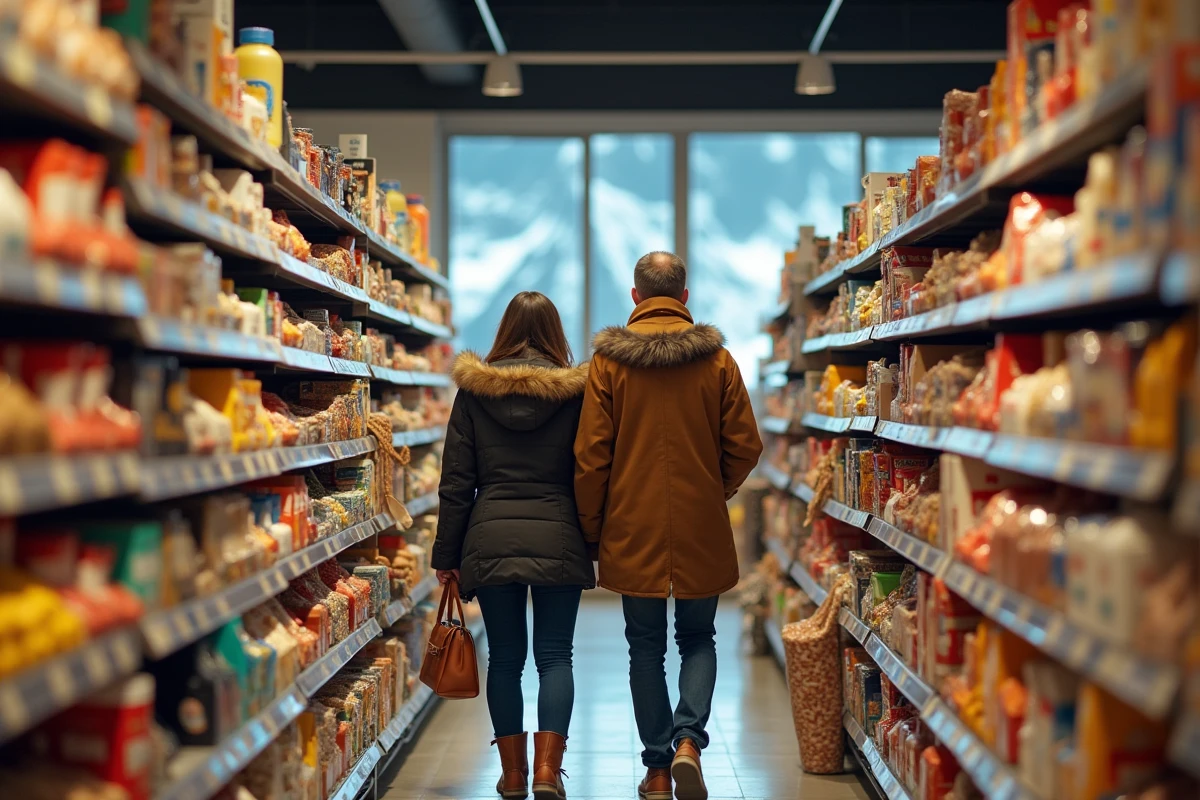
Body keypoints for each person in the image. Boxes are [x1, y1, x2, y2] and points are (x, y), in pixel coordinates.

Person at [574, 251, 763, 800]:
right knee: (699, 637)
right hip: (701, 519)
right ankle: (688, 742)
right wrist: (713, 489)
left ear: (635, 297)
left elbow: (591, 457)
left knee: (644, 646)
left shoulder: (608, 365)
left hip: (630, 524)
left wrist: (592, 527)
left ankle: (657, 768)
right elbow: (745, 446)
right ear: (684, 298)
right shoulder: (718, 361)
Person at [432, 291, 596, 800]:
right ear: (556, 334)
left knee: (504, 658)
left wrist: (446, 556)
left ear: (503, 332)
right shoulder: (577, 394)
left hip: (490, 534)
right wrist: (593, 538)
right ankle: (548, 771)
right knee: (555, 656)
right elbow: (591, 471)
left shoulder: (474, 393)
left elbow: (456, 482)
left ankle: (512, 775)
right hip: (559, 531)